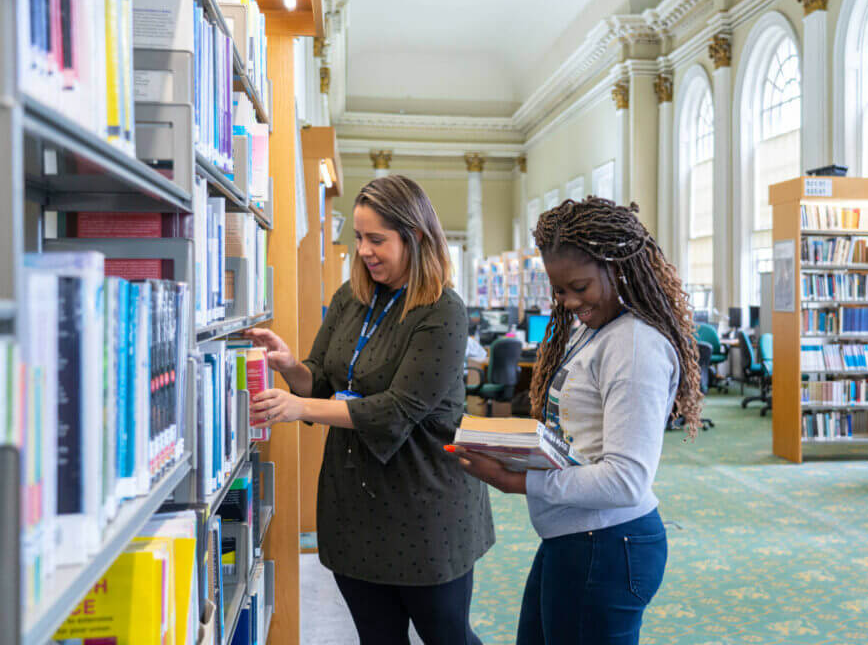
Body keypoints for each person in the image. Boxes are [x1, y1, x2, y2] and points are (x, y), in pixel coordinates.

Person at [245, 175, 494, 645]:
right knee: (377, 638)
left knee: (447, 636)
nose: (363, 250)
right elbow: (320, 378)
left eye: (377, 239)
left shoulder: (443, 311)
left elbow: (397, 410)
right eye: (358, 237)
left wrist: (300, 407)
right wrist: (289, 365)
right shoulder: (351, 297)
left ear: (415, 236)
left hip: (425, 509)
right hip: (355, 506)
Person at [450, 196, 702, 645]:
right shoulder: (598, 328)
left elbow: (627, 480)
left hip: (607, 543)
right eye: (559, 290)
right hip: (575, 536)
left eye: (579, 288)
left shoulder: (635, 345)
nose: (567, 303)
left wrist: (518, 482)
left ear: (618, 267)